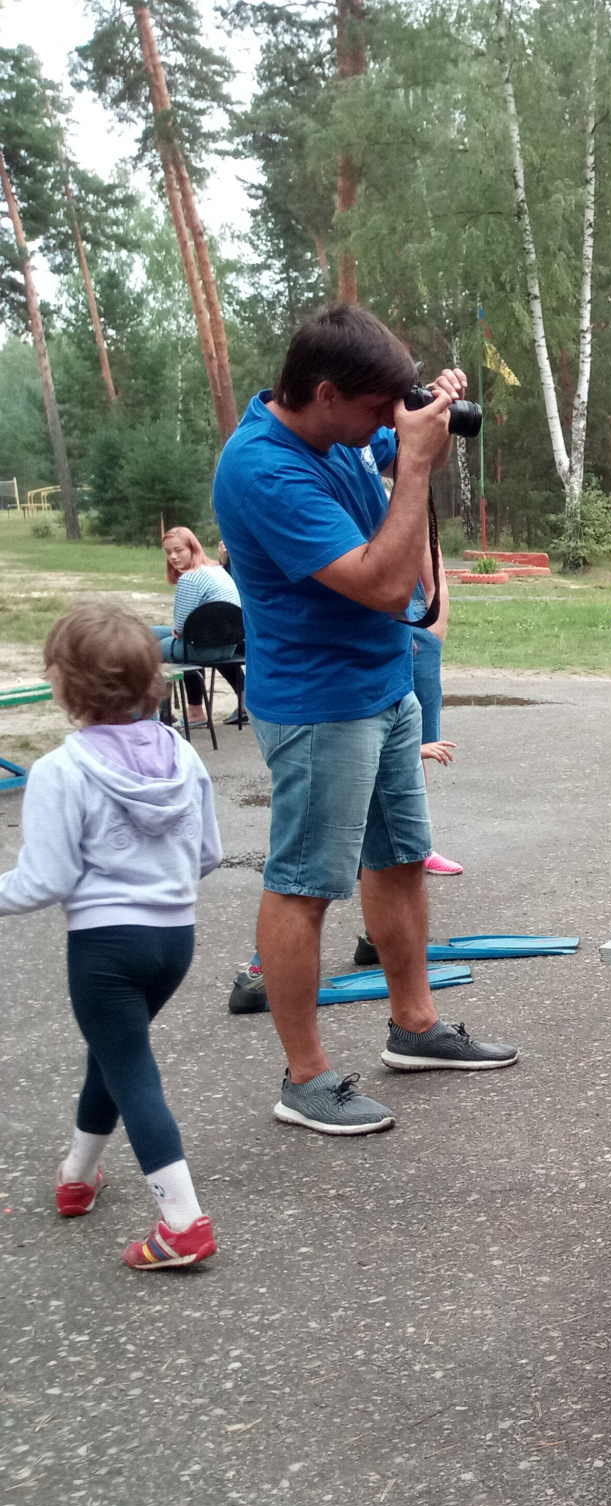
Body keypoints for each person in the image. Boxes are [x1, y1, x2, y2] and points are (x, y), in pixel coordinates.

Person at [211, 302, 517, 1138]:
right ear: (324, 393)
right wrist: (413, 463)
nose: (387, 423)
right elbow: (385, 585)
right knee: (306, 885)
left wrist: (427, 421)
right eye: (377, 408)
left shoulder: (335, 432)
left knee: (400, 859)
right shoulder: (263, 470)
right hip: (320, 707)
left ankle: (414, 1027)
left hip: (382, 688)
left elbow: (404, 448)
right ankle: (304, 1077)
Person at [0, 603, 222, 1268]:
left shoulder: (61, 769)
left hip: (104, 948)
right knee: (115, 1052)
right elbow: (208, 854)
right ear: (153, 678)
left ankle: (183, 1223)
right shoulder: (182, 753)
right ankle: (77, 1174)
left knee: (130, 1066)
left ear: (64, 684)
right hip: (174, 940)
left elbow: (45, 879)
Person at [154, 525, 247, 727]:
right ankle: (241, 701)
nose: (173, 557)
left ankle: (166, 713)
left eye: (178, 550)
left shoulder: (190, 578)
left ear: (193, 548)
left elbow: (180, 628)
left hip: (204, 648)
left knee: (147, 648)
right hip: (230, 645)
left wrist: (180, 631)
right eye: (168, 552)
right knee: (149, 633)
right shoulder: (217, 570)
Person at [408, 571, 460, 876]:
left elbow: (433, 572)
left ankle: (418, 845)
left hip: (417, 627)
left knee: (422, 742)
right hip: (373, 626)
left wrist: (433, 631)